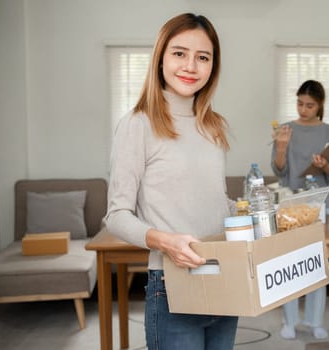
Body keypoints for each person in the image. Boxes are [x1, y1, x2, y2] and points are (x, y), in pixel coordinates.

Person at [104, 13, 238, 350]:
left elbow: (215, 201)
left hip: (224, 275)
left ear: (213, 66)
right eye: (179, 53)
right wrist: (165, 242)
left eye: (202, 57)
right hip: (171, 285)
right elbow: (116, 215)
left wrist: (262, 214)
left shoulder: (214, 125)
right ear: (161, 57)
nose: (191, 66)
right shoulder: (138, 125)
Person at [271, 79, 329, 340]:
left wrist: (324, 165)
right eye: (300, 104)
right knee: (289, 264)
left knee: (317, 264)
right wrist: (281, 147)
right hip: (291, 203)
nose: (303, 109)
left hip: (320, 204)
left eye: (309, 105)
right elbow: (279, 170)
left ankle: (315, 321)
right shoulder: (285, 129)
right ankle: (289, 321)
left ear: (320, 105)